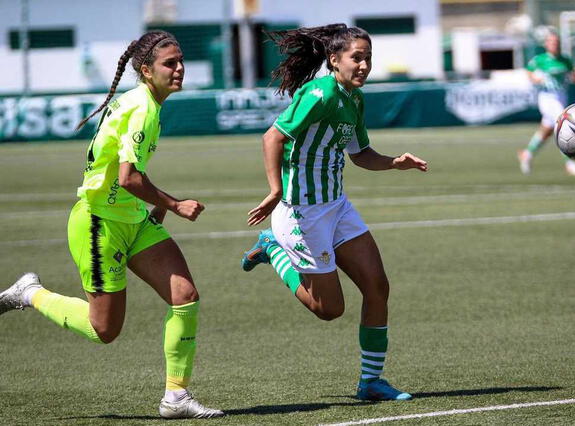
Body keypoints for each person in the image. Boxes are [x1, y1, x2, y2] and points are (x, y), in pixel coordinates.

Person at [0, 31, 223, 419]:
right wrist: (174, 204)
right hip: (98, 224)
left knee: (184, 296)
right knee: (104, 329)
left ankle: (176, 397)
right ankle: (30, 293)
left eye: (181, 60)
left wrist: (155, 208)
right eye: (170, 63)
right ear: (146, 70)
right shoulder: (143, 108)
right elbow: (128, 179)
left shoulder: (144, 102)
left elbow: (131, 177)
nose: (180, 68)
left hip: (132, 219)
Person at [241, 24, 427, 401]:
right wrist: (275, 191)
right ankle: (273, 248)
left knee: (377, 286)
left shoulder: (354, 99)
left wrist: (394, 163)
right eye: (356, 57)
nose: (363, 65)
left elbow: (359, 154)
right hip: (301, 212)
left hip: (337, 206)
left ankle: (371, 382)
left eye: (368, 58)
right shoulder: (320, 92)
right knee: (330, 310)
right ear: (334, 59)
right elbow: (272, 136)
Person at [518, 31, 575, 177]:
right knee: (563, 126)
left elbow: (574, 75)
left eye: (557, 42)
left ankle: (527, 154)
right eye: (551, 42)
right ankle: (569, 163)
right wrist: (536, 79)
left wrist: (574, 77)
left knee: (547, 130)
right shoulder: (540, 59)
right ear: (546, 44)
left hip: (561, 96)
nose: (554, 45)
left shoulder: (565, 60)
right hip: (547, 98)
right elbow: (529, 72)